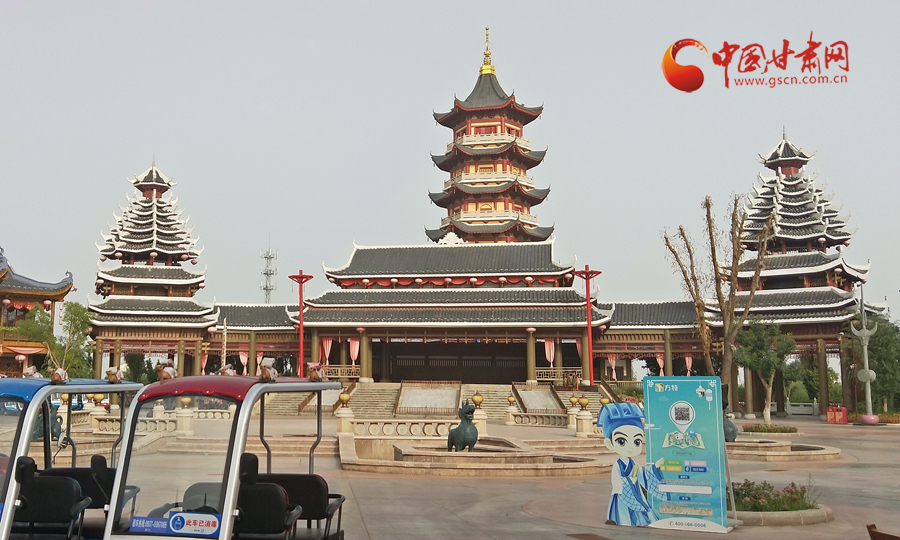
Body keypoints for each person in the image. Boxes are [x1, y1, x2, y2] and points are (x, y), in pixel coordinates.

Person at [598, 402, 666, 526]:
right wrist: (629, 480)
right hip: (623, 495)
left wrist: (655, 467)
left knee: (640, 509)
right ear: (609, 443)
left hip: (635, 492)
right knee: (622, 512)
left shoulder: (633, 462)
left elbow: (644, 474)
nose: (630, 447)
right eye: (621, 441)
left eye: (636, 441)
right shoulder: (617, 465)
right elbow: (617, 483)